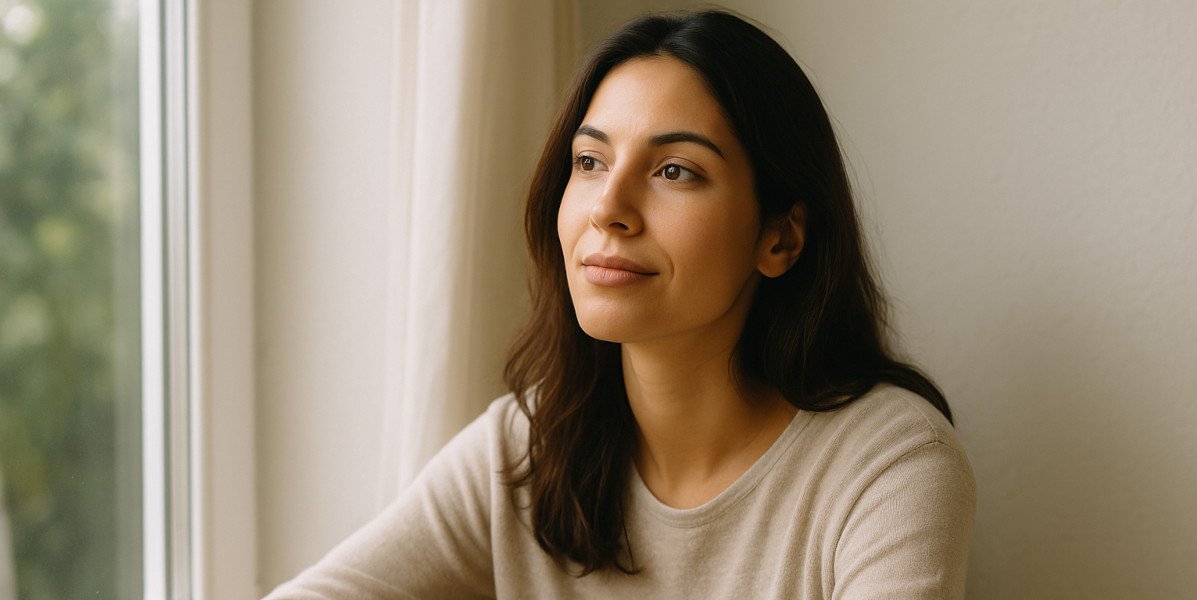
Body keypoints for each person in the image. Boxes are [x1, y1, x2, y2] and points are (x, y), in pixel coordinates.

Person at [265, 9, 975, 599]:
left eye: (675, 171)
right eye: (589, 161)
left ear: (780, 239)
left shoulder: (886, 464)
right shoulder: (530, 444)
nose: (608, 208)